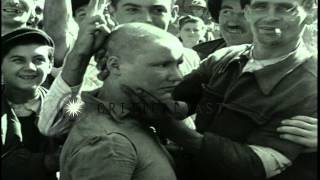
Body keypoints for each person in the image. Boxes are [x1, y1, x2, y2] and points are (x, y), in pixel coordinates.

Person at [124, 0, 317, 179]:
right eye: (260, 6)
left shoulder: (309, 86)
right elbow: (177, 99)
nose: (270, 16)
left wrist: (173, 129)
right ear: (248, 12)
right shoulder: (224, 58)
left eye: (285, 8)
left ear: (310, 13)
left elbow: (255, 166)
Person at [38, 0, 199, 136]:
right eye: (132, 9)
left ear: (174, 12)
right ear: (112, 11)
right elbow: (54, 126)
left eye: (158, 10)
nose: (146, 19)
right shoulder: (92, 63)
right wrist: (81, 57)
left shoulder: (188, 60)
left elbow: (196, 129)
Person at [56, 13, 184, 179]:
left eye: (178, 64)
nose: (178, 76)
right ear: (115, 66)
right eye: (163, 65)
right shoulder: (110, 144)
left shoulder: (127, 118)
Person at [192, 0, 318, 151]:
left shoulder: (307, 78)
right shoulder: (203, 55)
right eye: (227, 11)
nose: (233, 20)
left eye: (284, 8)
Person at [1, 28, 60, 180]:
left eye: (38, 60)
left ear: (50, 65)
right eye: (18, 60)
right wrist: (48, 162)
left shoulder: (62, 107)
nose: (30, 67)